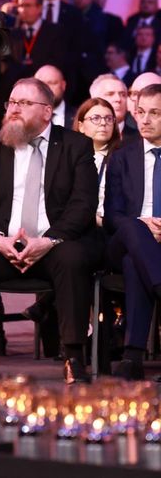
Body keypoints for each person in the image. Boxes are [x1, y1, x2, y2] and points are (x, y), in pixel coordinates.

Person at [0, 78, 98, 382]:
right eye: (11, 102)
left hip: (52, 246)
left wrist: (48, 240)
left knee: (73, 256)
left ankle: (73, 355)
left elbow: (83, 205)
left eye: (23, 104)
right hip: (3, 245)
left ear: (46, 112)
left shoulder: (75, 146)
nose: (13, 109)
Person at [104, 83, 161, 380]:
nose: (145, 120)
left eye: (155, 113)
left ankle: (132, 356)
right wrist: (143, 224)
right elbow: (113, 215)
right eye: (141, 112)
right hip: (123, 240)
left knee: (135, 264)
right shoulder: (122, 156)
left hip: (147, 253)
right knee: (135, 230)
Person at [74, 97, 119, 227]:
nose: (103, 123)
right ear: (81, 126)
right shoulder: (69, 157)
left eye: (109, 118)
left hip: (108, 227)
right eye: (96, 118)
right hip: (76, 226)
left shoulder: (122, 158)